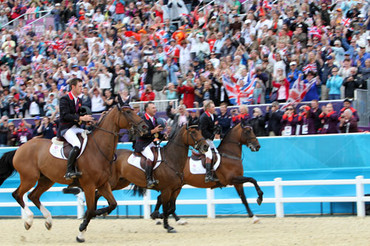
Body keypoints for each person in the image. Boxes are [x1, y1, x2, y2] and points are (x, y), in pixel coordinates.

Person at [58, 78, 94, 180]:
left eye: (82, 86)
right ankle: (69, 171)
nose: (81, 89)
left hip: (75, 127)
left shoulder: (79, 100)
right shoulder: (64, 99)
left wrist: (86, 120)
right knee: (77, 144)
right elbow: (65, 115)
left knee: (89, 136)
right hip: (66, 128)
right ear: (73, 87)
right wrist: (81, 118)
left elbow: (77, 115)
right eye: (80, 86)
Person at [133, 102, 163, 188]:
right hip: (142, 143)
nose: (155, 109)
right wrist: (154, 130)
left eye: (155, 107)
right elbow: (143, 134)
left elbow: (157, 134)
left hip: (151, 143)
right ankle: (149, 179)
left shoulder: (154, 119)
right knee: (150, 156)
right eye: (153, 108)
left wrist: (164, 135)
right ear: (147, 110)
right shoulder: (142, 120)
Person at [199, 100, 218, 183]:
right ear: (208, 108)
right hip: (203, 140)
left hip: (208, 139)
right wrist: (212, 136)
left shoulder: (212, 115)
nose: (214, 108)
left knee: (216, 153)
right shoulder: (204, 117)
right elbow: (203, 130)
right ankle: (208, 175)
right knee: (209, 154)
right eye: (213, 107)